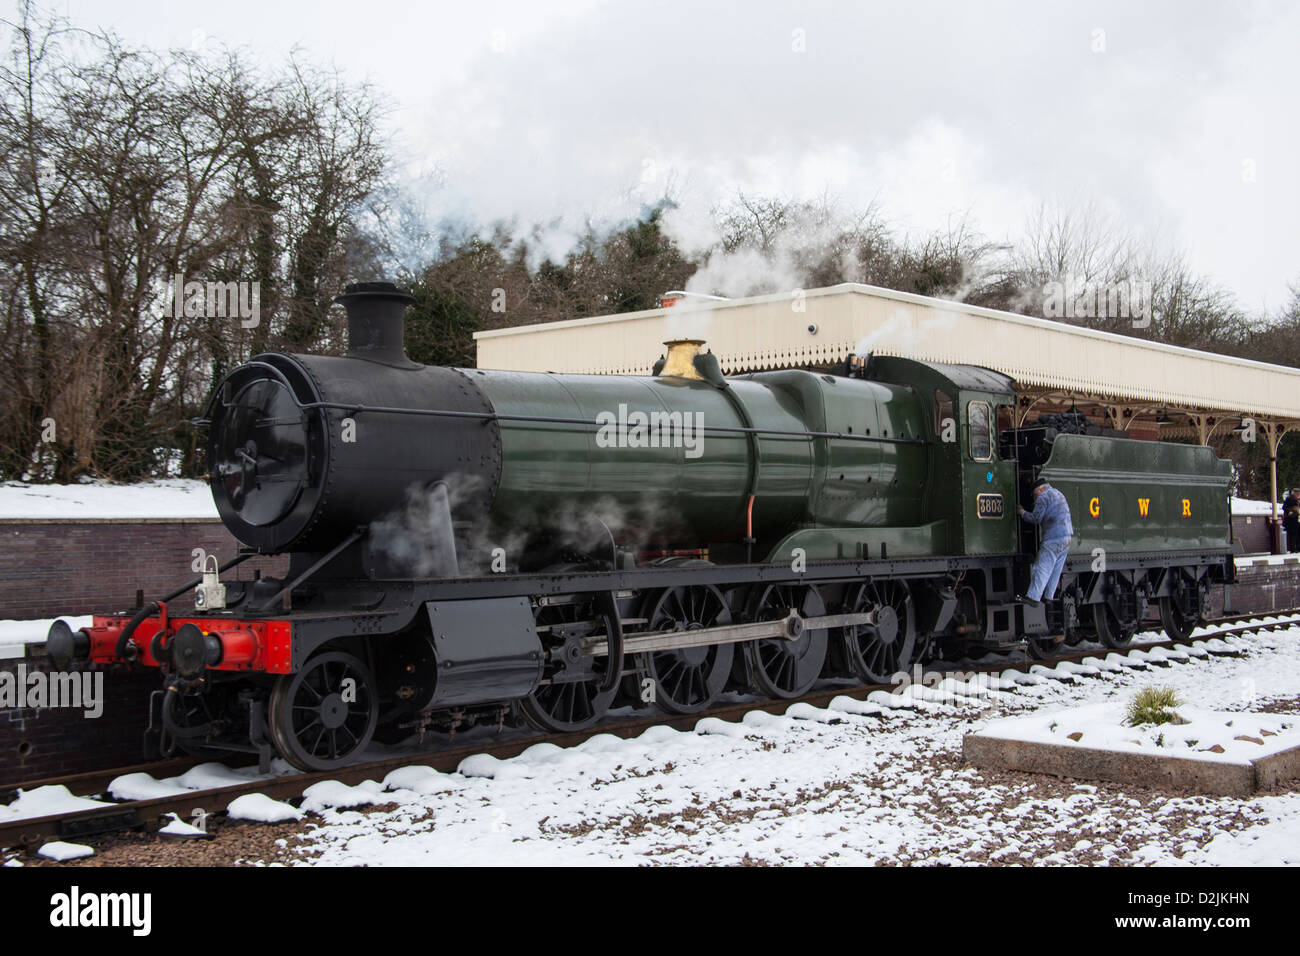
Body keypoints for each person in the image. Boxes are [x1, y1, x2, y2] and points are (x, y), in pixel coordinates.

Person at [1016, 478, 1074, 607]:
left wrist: (1022, 513)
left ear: (1040, 489)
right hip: (1067, 537)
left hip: (1053, 538)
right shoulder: (1058, 493)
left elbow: (1036, 518)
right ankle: (1049, 596)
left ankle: (1033, 597)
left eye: (1035, 495)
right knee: (1055, 570)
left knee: (1041, 568)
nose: (1035, 498)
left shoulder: (1043, 497)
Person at [1284, 488, 1300, 553]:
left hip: (1297, 520)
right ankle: (1292, 549)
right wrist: (1292, 510)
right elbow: (1284, 508)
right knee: (1293, 535)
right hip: (1291, 520)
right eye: (1297, 493)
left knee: (1298, 534)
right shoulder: (1289, 499)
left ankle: (1298, 548)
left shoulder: (1298, 500)